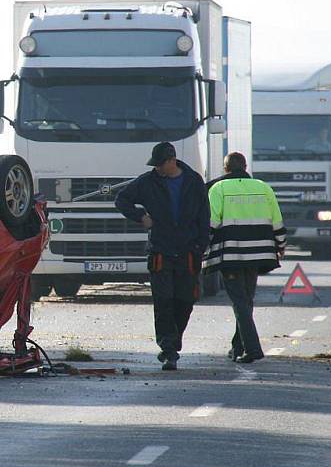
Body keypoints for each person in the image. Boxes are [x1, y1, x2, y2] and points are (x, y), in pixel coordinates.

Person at [115, 142, 210, 371]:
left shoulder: (193, 181)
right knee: (164, 300)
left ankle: (174, 341)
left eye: (160, 164)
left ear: (172, 161)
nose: (157, 168)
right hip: (161, 250)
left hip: (188, 251)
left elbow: (204, 214)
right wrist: (140, 217)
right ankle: (168, 350)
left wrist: (200, 246)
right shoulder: (148, 182)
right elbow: (122, 199)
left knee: (186, 300)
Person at [204, 152, 287, 363]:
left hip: (232, 255)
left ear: (226, 169)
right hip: (259, 255)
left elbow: (212, 223)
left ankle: (253, 349)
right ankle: (238, 347)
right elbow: (276, 221)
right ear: (245, 166)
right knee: (246, 301)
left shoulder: (218, 189)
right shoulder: (263, 187)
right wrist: (281, 245)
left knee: (240, 301)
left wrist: (201, 247)